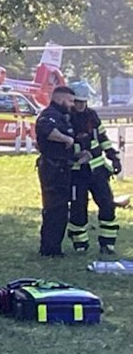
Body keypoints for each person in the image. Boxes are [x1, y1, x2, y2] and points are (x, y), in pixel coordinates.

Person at [67, 82, 121, 256]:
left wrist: (113, 157)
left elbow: (103, 138)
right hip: (76, 172)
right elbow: (63, 146)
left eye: (83, 102)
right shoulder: (65, 118)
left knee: (107, 204)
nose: (80, 105)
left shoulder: (92, 116)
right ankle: (80, 243)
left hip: (97, 170)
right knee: (78, 207)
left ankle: (107, 243)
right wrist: (79, 154)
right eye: (77, 102)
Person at [34, 85, 81, 257]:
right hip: (52, 168)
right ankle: (49, 248)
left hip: (62, 167)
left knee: (61, 209)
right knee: (54, 208)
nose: (71, 105)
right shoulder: (49, 115)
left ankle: (55, 247)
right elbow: (47, 131)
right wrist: (66, 138)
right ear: (60, 99)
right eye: (69, 101)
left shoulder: (63, 116)